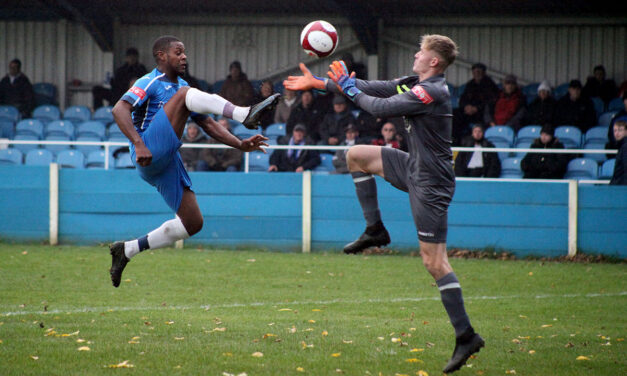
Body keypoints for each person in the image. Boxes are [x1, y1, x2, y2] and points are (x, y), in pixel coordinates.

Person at [284, 33, 484, 374]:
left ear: (434, 61)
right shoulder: (413, 82)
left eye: (421, 52)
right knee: (356, 155)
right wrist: (318, 83)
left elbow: (379, 108)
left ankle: (466, 335)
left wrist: (347, 88)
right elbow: (374, 87)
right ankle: (375, 229)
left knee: (434, 263)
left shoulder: (431, 91)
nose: (416, 56)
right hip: (413, 166)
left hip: (431, 182)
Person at [108, 35, 279, 288]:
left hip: (165, 161)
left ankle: (128, 250)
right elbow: (119, 109)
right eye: (178, 52)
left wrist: (240, 144)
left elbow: (207, 123)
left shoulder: (184, 88)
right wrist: (139, 143)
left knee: (192, 223)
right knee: (185, 94)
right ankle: (244, 113)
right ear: (161, 56)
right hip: (148, 151)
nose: (184, 56)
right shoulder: (151, 81)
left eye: (185, 52)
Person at [452, 62, 499, 145]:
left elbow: (491, 101)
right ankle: (455, 141)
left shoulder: (490, 85)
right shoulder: (470, 84)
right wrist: (466, 107)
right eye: (475, 72)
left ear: (483, 72)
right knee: (455, 114)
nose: (477, 74)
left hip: (481, 113)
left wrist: (476, 108)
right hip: (469, 112)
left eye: (479, 72)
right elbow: (463, 99)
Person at [609, 120, 626, 185]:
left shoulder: (625, 147)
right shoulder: (621, 146)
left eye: (620, 130)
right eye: (615, 130)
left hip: (621, 189)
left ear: (626, 131)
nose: (617, 133)